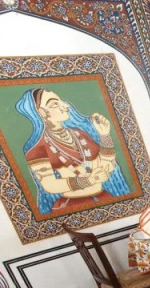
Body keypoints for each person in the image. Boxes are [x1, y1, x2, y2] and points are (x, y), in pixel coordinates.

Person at [16, 88, 131, 217]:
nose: (66, 106)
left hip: (104, 198)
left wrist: (105, 136)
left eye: (61, 101)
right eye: (55, 104)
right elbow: (50, 185)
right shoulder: (38, 148)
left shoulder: (79, 134)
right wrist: (89, 180)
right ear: (42, 112)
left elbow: (107, 167)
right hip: (72, 207)